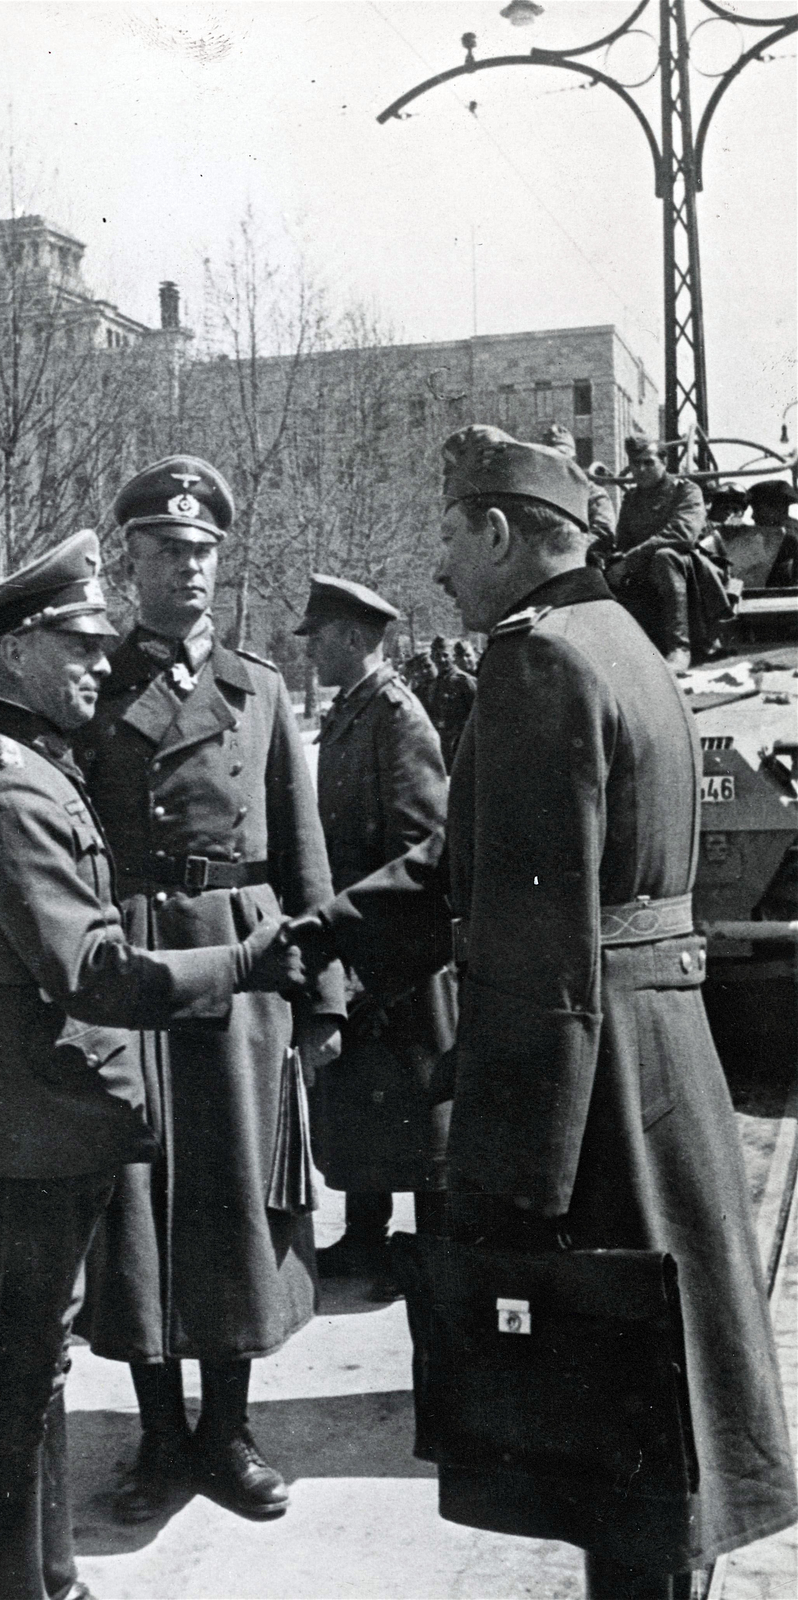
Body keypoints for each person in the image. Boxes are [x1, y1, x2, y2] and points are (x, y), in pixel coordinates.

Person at [288, 425, 797, 1600]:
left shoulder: (536, 664)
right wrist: (309, 938)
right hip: (660, 1064)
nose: (441, 571)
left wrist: (512, 1173)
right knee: (663, 1428)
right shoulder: (617, 642)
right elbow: (472, 872)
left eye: (452, 538)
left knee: (617, 1437)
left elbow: (531, 946)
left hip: (593, 1083)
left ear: (504, 533)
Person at [0, 529, 304, 1600]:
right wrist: (237, 960)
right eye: (76, 643)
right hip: (18, 1118)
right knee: (11, 1378)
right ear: (13, 654)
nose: (99, 660)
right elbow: (88, 965)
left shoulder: (28, 761)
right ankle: (17, 1588)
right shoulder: (6, 783)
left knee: (34, 1362)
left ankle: (51, 1579)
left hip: (40, 1110)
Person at [73, 455, 345, 1525]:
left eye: (201, 554)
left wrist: (322, 997)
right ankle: (156, 1434)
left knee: (234, 1193)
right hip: (138, 959)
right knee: (140, 1200)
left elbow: (305, 850)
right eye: (164, 554)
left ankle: (226, 1431)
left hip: (244, 962)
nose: (186, 572)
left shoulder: (258, 687)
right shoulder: (97, 688)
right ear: (130, 564)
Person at [296, 574, 452, 1302]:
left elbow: (421, 846)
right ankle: (366, 1236)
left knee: (414, 1102)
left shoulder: (397, 716)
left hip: (397, 953)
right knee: (365, 1099)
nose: (311, 652)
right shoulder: (351, 712)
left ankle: (423, 1249)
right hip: (359, 940)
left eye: (320, 638)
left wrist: (376, 955)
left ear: (354, 639)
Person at [608, 435, 727, 670]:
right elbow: (623, 543)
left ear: (664, 462)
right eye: (635, 464)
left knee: (665, 557)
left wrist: (630, 560)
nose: (640, 469)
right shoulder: (631, 499)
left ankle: (680, 648)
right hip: (646, 572)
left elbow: (682, 535)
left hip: (690, 571)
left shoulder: (687, 491)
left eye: (648, 462)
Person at [541, 421, 616, 560]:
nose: (556, 461)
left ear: (574, 459)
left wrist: (567, 548)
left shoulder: (592, 492)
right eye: (549, 456)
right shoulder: (540, 493)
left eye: (561, 454)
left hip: (582, 561)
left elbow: (604, 533)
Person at [426, 635, 476, 773]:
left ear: (453, 656)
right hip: (441, 748)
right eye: (437, 655)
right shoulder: (433, 684)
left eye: (445, 655)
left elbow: (478, 715)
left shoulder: (464, 681)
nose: (441, 659)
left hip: (461, 748)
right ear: (432, 657)